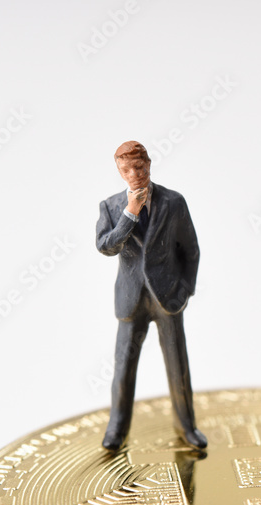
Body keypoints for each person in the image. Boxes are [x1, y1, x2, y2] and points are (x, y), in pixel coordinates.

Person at [95, 141, 206, 452]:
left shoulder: (174, 201)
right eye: (127, 170)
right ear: (119, 172)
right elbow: (106, 246)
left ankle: (187, 426)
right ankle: (117, 428)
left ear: (149, 164)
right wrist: (129, 214)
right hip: (131, 300)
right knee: (123, 367)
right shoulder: (111, 206)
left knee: (177, 364)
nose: (135, 174)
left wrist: (185, 291)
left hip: (167, 298)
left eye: (139, 167)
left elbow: (191, 249)